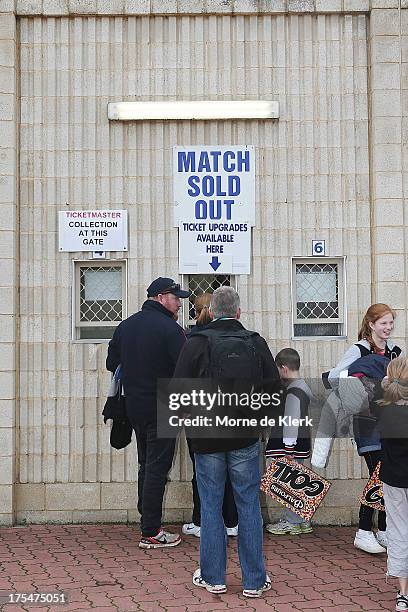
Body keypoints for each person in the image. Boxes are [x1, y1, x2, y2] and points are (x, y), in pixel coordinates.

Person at [173, 286, 280, 597]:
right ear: (238, 312)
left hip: (206, 438)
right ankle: (254, 580)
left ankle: (213, 577)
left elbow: (177, 391)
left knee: (210, 505)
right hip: (245, 436)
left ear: (211, 312)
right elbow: (272, 389)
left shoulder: (195, 343)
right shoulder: (255, 342)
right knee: (248, 505)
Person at [106, 277, 189, 549]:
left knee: (146, 463)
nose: (179, 303)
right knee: (157, 466)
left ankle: (147, 517)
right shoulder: (171, 330)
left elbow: (112, 363)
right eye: (176, 297)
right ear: (161, 297)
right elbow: (185, 369)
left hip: (134, 405)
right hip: (164, 403)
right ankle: (151, 530)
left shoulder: (126, 325)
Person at [327, 303, 402, 554]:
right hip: (367, 422)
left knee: (388, 475)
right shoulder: (358, 350)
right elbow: (334, 377)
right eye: (383, 323)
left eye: (391, 323)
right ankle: (362, 530)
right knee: (378, 474)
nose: (388, 328)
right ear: (371, 324)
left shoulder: (394, 352)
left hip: (391, 422)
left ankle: (383, 530)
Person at [182, 293, 238, 538]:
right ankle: (233, 522)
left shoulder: (193, 340)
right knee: (236, 475)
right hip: (237, 417)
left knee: (205, 476)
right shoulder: (246, 339)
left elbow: (181, 382)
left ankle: (203, 522)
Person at [264, 348, 313, 535]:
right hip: (299, 443)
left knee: (288, 484)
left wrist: (288, 448)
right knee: (297, 484)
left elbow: (291, 421)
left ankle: (292, 522)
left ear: (284, 368)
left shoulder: (293, 391)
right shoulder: (303, 386)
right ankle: (302, 521)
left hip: (289, 446)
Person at [373, 357, 408, 611]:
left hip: (394, 478)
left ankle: (403, 593)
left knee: (398, 533)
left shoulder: (382, 406)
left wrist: (385, 382)